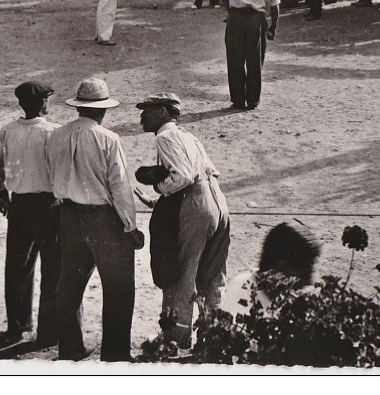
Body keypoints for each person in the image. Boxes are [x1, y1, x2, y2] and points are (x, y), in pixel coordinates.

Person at [46, 78, 144, 362]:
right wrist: (131, 226)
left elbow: (54, 173)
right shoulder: (109, 139)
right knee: (118, 288)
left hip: (69, 214)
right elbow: (120, 187)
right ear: (102, 110)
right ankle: (115, 355)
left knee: (69, 285)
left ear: (79, 107)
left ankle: (71, 348)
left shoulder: (57, 135)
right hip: (103, 218)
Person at [134, 94, 230, 348]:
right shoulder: (189, 136)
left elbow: (184, 177)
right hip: (217, 201)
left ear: (163, 112)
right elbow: (207, 171)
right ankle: (214, 338)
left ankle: (175, 339)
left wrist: (159, 186)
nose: (142, 116)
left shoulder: (165, 137)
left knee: (182, 275)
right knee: (212, 276)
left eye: (148, 110)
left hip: (195, 203)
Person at [0, 82, 61, 346]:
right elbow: (62, 171)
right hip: (49, 207)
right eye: (47, 100)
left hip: (19, 207)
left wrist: (3, 195)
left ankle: (17, 327)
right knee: (53, 269)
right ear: (43, 104)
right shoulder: (54, 132)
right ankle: (48, 331)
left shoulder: (8, 131)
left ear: (21, 105)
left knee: (17, 268)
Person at [219, 0, 281, 110]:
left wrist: (231, 13)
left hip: (236, 18)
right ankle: (253, 100)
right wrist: (273, 26)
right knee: (255, 60)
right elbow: (275, 6)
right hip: (256, 19)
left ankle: (238, 100)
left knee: (235, 59)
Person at [220, 222, 321, 317]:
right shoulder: (245, 308)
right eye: (305, 276)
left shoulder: (249, 279)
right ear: (280, 271)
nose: (311, 284)